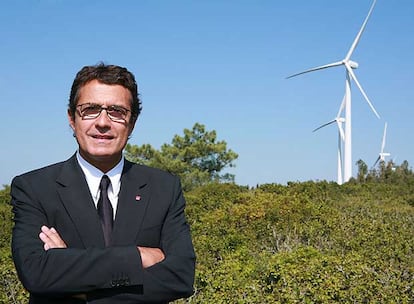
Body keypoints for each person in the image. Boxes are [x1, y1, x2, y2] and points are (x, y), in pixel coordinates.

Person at [10, 63, 196, 303]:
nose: (102, 122)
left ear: (133, 123)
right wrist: (137, 257)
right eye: (90, 109)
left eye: (117, 111)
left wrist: (76, 284)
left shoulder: (164, 188)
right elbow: (36, 273)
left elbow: (180, 277)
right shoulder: (34, 188)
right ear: (71, 118)